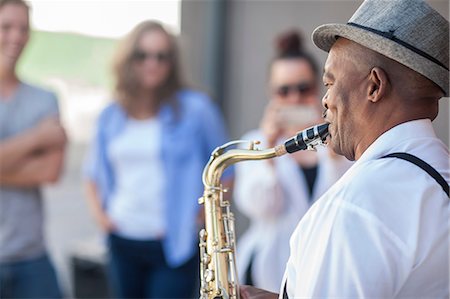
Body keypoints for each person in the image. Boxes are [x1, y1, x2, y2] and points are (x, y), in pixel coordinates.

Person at [240, 0, 449, 298]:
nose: (325, 100)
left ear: (374, 86)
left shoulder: (358, 203)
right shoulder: (439, 171)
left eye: (330, 82)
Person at [83, 20, 230, 299]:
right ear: (129, 59)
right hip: (122, 238)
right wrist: (103, 219)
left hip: (174, 244)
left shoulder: (197, 109)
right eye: (143, 55)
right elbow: (92, 173)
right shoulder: (111, 115)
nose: (153, 63)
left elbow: (225, 169)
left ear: (172, 62)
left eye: (162, 56)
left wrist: (197, 220)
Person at [233, 30, 350, 292]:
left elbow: (346, 206)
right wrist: (268, 152)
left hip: (323, 268)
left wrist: (333, 146)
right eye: (284, 90)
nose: (295, 98)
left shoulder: (341, 143)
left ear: (319, 89)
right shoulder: (253, 143)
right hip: (266, 269)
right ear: (271, 93)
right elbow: (258, 206)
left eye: (303, 88)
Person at [0, 0, 66, 298]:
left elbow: (51, 171)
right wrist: (35, 139)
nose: (16, 36)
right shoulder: (42, 124)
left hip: (31, 256)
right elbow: (39, 160)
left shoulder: (45, 99)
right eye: (6, 27)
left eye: (23, 28)